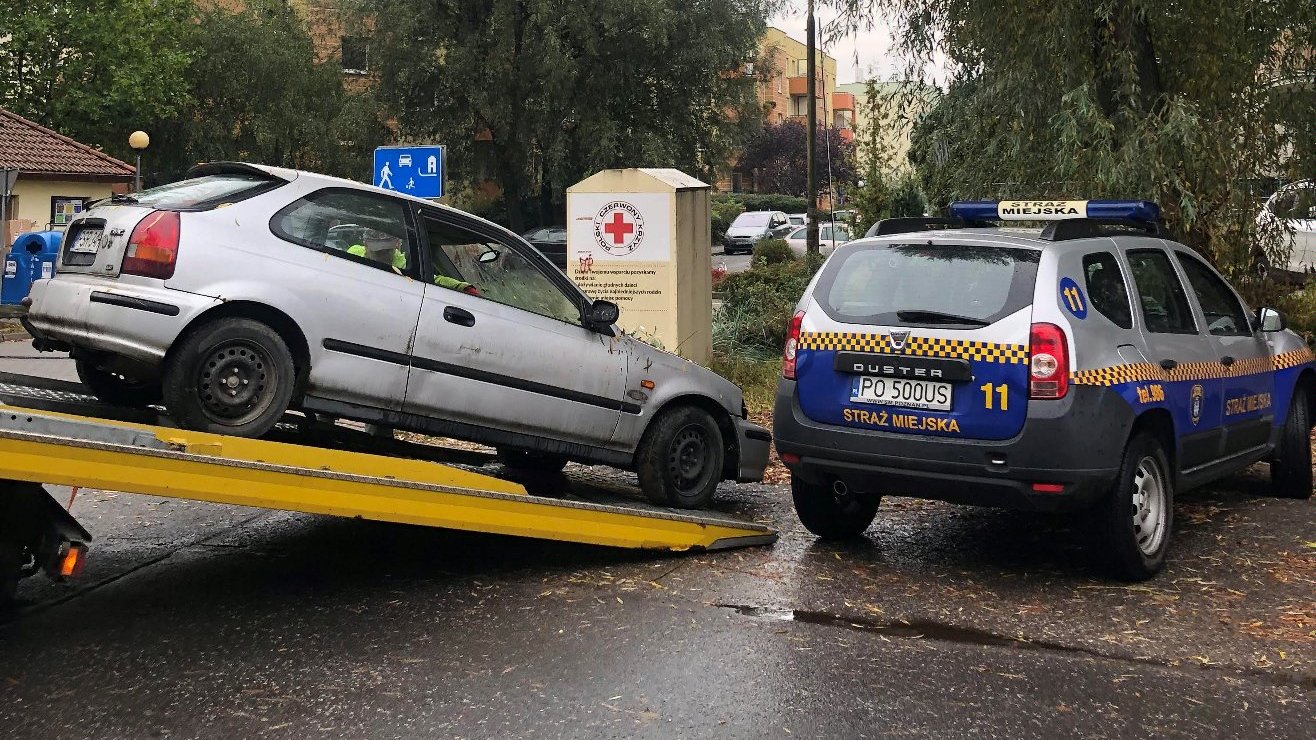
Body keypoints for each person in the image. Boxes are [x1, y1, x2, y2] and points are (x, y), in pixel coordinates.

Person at [347, 228, 480, 296]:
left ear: (397, 246)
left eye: (387, 250)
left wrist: (461, 287)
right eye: (377, 250)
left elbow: (432, 279)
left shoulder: (402, 265)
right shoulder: (352, 253)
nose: (383, 254)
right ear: (365, 245)